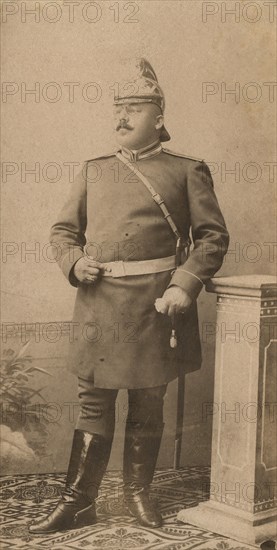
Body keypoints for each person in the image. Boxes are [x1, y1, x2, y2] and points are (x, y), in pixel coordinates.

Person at [29, 58, 229, 534]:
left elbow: (212, 238)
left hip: (153, 307)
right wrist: (75, 263)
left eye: (134, 109)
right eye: (118, 109)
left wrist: (185, 284)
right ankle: (78, 501)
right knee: (94, 401)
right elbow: (62, 232)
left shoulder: (186, 170)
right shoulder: (93, 171)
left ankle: (139, 494)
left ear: (158, 118)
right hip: (99, 306)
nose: (121, 117)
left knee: (147, 401)